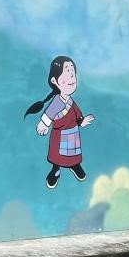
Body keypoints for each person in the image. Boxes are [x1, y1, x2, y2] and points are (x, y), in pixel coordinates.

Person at [23, 56, 95, 189]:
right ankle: (55, 170)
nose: (71, 78)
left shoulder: (70, 101)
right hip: (59, 136)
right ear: (54, 81)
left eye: (73, 74)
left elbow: (77, 115)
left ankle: (74, 165)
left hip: (73, 134)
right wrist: (44, 124)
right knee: (57, 157)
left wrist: (82, 121)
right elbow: (48, 115)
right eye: (67, 75)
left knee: (73, 154)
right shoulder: (57, 102)